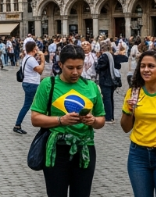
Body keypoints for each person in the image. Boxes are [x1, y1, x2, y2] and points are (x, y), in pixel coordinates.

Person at [31, 45, 105, 197]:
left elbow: (101, 120)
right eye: (70, 67)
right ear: (60, 65)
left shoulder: (91, 87)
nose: (75, 72)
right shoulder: (48, 84)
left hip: (85, 149)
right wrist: (60, 120)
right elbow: (35, 118)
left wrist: (92, 121)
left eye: (79, 67)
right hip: (56, 150)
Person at [120, 51, 156, 197]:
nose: (146, 70)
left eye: (151, 66)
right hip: (138, 155)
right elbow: (126, 128)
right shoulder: (134, 92)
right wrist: (128, 110)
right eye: (143, 66)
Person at [13, 40, 45, 135]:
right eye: (36, 48)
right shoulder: (31, 59)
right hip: (32, 84)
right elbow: (40, 70)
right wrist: (42, 59)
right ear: (33, 49)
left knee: (30, 104)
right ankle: (17, 125)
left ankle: (18, 125)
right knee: (34, 104)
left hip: (28, 83)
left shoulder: (27, 58)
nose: (37, 49)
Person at [96, 42, 121, 123]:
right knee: (110, 98)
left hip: (105, 79)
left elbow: (99, 67)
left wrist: (96, 64)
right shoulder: (112, 55)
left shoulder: (104, 56)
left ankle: (108, 117)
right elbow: (118, 66)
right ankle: (111, 116)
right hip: (112, 80)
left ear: (102, 49)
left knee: (106, 99)